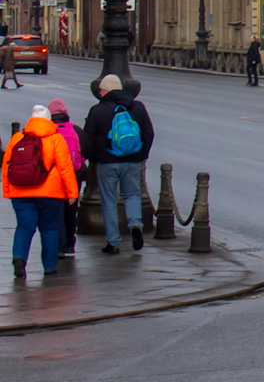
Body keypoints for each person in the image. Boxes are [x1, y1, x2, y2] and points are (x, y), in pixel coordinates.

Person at [3, 104, 79, 278]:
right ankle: (50, 266)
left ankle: (19, 257)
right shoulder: (55, 139)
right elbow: (65, 168)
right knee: (50, 228)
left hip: (21, 193)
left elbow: (7, 166)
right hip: (50, 194)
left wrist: (7, 191)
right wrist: (72, 193)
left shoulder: (17, 139)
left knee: (24, 227)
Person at [82, 73, 154, 254]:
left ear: (105, 91)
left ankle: (113, 242)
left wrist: (93, 158)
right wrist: (141, 154)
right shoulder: (137, 108)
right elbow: (148, 133)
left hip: (106, 162)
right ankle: (135, 224)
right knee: (132, 195)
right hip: (132, 160)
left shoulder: (97, 110)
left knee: (109, 201)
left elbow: (88, 138)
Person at [48, 98, 84, 258]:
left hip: (55, 176)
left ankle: (60, 245)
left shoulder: (49, 130)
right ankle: (70, 243)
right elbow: (87, 149)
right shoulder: (75, 129)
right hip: (74, 175)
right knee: (71, 210)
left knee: (58, 210)